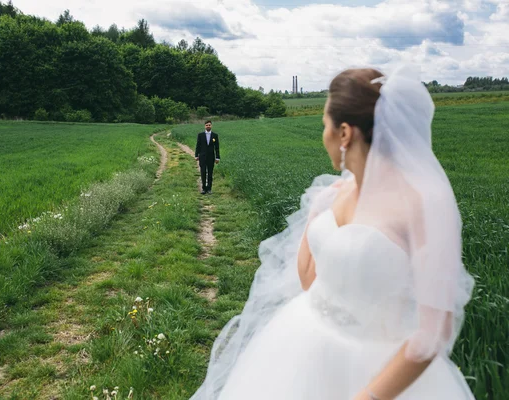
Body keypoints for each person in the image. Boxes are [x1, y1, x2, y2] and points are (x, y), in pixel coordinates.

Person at [190, 65, 476, 399]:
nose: (321, 134)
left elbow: (435, 331)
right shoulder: (330, 195)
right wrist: (316, 216)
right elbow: (310, 280)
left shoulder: (420, 204)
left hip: (379, 366)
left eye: (324, 125)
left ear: (344, 133)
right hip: (305, 339)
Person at [195, 120, 220, 194]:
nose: (208, 126)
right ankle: (203, 188)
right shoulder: (200, 135)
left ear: (211, 126)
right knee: (203, 172)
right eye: (206, 125)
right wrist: (196, 155)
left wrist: (217, 157)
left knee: (210, 173)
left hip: (211, 157)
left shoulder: (215, 135)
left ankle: (209, 189)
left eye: (209, 125)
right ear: (204, 126)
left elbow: (217, 147)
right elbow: (198, 146)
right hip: (202, 157)